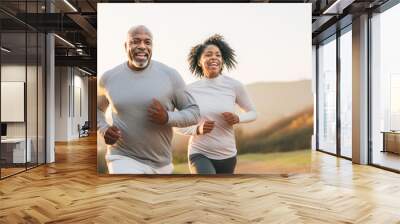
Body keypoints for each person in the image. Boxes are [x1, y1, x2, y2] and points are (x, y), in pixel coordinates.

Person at [97, 25, 200, 174]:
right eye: (135, 41)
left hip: (162, 163)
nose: (142, 46)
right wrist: (104, 129)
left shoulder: (170, 76)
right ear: (126, 46)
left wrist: (167, 117)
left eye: (147, 42)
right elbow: (96, 109)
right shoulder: (108, 78)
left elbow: (194, 113)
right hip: (122, 157)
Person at [177, 34, 257, 174]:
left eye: (218, 55)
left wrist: (238, 118)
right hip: (199, 153)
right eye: (208, 55)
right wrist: (197, 129)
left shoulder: (234, 86)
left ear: (222, 61)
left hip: (228, 155)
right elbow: (176, 123)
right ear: (199, 62)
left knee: (222, 194)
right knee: (208, 188)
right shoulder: (189, 90)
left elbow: (253, 113)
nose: (214, 57)